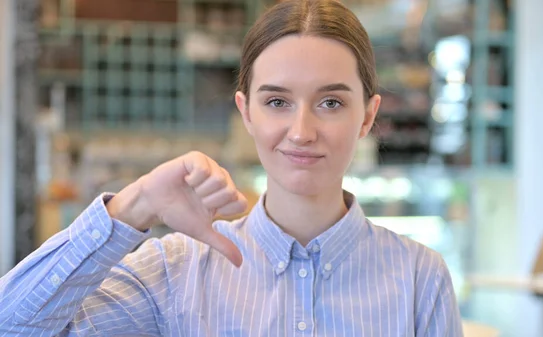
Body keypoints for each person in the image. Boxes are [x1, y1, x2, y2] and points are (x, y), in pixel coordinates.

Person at [0, 0, 463, 336]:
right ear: (246, 111)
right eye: (277, 101)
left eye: (331, 102)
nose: (301, 131)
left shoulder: (419, 277)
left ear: (367, 115)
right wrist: (134, 204)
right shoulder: (178, 270)